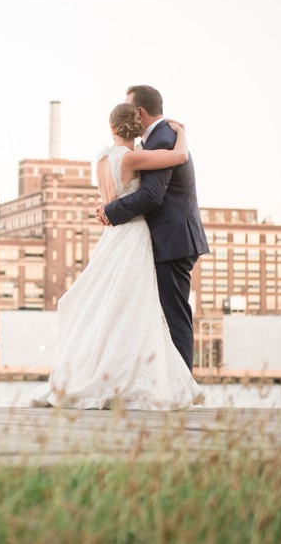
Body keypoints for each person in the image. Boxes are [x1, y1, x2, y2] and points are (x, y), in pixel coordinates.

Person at [30, 103, 204, 410]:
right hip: (134, 235)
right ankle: (136, 377)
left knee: (107, 306)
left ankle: (93, 371)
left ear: (111, 128)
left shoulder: (100, 158)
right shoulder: (132, 157)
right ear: (135, 128)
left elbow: (110, 197)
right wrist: (181, 133)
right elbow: (179, 157)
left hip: (110, 237)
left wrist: (107, 210)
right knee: (136, 308)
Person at [98, 85, 210, 370]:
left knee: (173, 316)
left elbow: (151, 196)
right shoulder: (158, 141)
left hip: (172, 242)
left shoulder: (161, 139)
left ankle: (181, 386)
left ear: (140, 112)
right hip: (161, 240)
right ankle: (164, 382)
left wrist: (109, 211)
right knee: (158, 314)